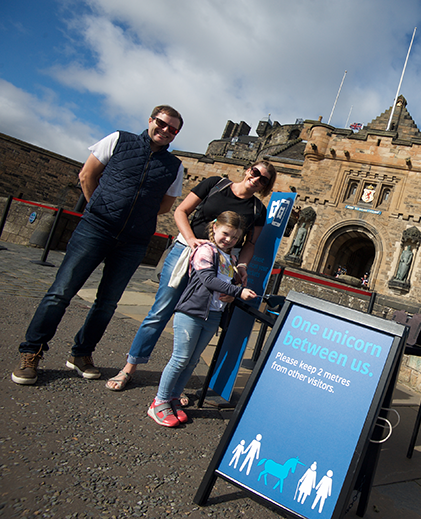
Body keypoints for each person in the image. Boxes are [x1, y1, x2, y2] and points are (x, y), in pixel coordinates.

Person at [12, 105, 185, 386]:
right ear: (151, 120)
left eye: (173, 129)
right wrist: (99, 209)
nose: (166, 131)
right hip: (96, 229)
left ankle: (81, 353)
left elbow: (165, 205)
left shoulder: (174, 166)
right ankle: (32, 351)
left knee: (107, 303)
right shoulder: (119, 139)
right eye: (162, 124)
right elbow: (86, 175)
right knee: (61, 292)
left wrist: (133, 218)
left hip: (133, 240)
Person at [105, 160, 276, 393]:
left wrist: (242, 267)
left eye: (263, 179)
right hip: (185, 252)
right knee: (160, 311)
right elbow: (181, 211)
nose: (256, 179)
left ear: (265, 186)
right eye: (255, 172)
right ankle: (129, 367)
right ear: (248, 170)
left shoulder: (257, 210)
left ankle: (175, 388)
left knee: (199, 320)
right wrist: (192, 240)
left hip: (219, 266)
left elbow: (250, 244)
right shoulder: (215, 184)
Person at [147, 211, 257, 427]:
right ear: (215, 227)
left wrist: (233, 291)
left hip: (213, 315)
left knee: (192, 360)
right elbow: (208, 280)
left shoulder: (230, 258)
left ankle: (174, 399)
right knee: (180, 358)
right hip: (191, 312)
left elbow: (229, 285)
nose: (229, 240)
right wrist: (237, 292)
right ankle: (159, 402)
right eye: (226, 234)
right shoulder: (205, 250)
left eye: (235, 238)